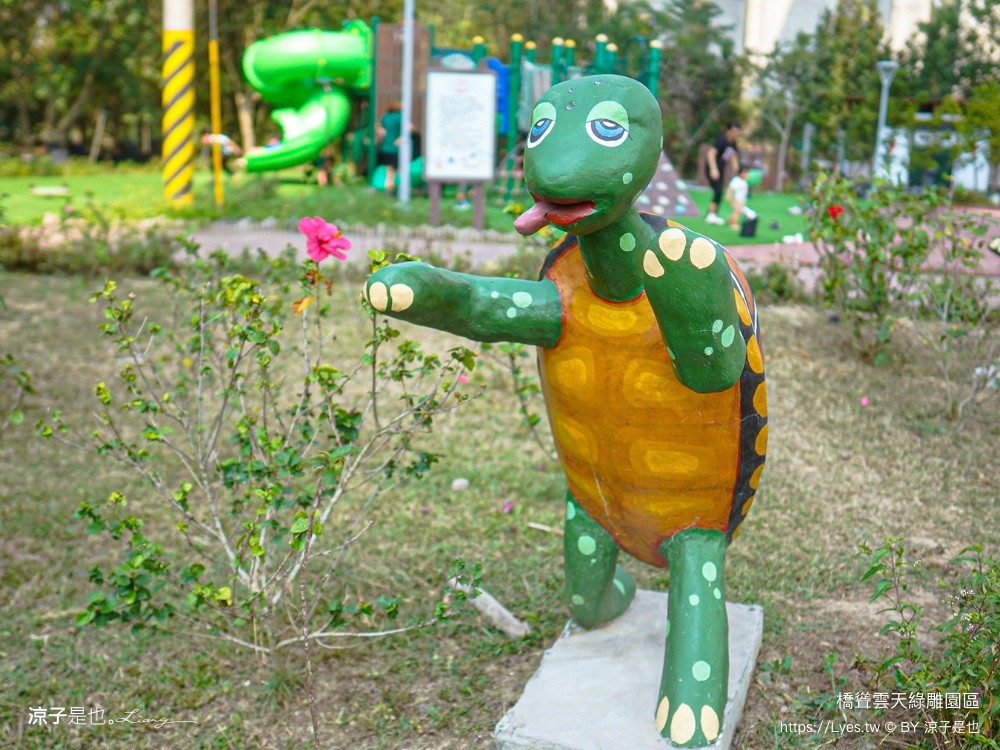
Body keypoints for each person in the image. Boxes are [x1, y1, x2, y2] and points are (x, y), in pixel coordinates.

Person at [705, 122, 741, 225]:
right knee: (718, 190)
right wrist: (713, 169)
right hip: (712, 168)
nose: (736, 134)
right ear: (728, 131)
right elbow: (711, 154)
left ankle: (712, 214)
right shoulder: (722, 140)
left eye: (737, 132)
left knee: (719, 191)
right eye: (734, 131)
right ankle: (711, 215)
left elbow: (733, 155)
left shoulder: (732, 143)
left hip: (720, 170)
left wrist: (736, 168)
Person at [376, 101, 403, 193]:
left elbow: (379, 129)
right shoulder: (401, 117)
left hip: (386, 147)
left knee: (389, 170)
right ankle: (397, 187)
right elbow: (409, 128)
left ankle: (389, 186)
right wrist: (401, 138)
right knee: (399, 169)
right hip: (397, 148)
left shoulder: (385, 117)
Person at [725, 163, 751, 230]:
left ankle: (729, 219)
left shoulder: (744, 182)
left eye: (748, 173)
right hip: (737, 199)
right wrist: (728, 196)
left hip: (742, 200)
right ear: (741, 173)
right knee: (736, 211)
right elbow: (730, 188)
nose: (747, 175)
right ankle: (733, 224)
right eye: (745, 173)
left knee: (739, 212)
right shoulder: (737, 180)